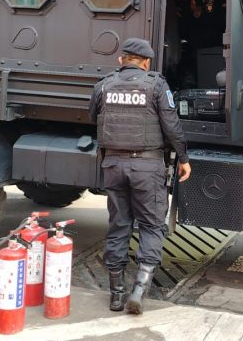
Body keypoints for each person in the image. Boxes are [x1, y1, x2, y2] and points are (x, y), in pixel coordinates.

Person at [89, 38, 192, 315]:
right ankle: (138, 290)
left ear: (121, 60)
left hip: (113, 165)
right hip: (147, 167)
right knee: (151, 225)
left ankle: (116, 295)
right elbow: (171, 126)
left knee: (119, 224)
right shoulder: (156, 85)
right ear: (146, 62)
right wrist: (183, 158)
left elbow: (93, 117)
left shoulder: (103, 85)